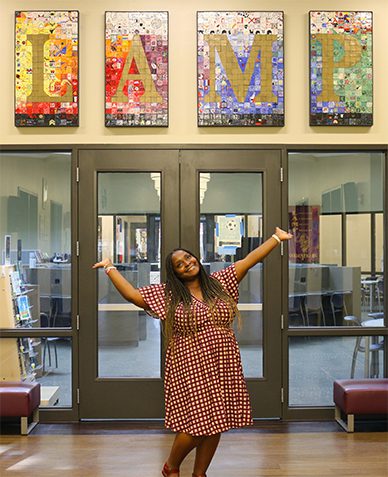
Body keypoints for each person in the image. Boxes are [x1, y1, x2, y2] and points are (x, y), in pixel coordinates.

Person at [93, 227, 292, 477]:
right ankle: (171, 465)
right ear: (174, 272)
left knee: (217, 419)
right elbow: (133, 295)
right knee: (197, 423)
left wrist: (275, 238)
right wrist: (110, 267)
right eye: (179, 264)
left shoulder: (220, 283)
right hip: (189, 363)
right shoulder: (168, 294)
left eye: (188, 258)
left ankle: (200, 473)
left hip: (224, 361)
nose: (186, 264)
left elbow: (250, 260)